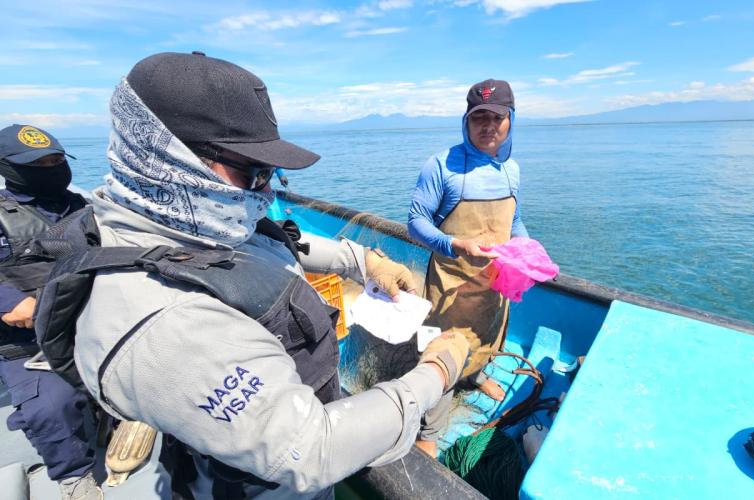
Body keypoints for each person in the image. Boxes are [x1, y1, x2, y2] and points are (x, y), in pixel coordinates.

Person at [61, 52, 469, 499]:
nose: (267, 191)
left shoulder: (189, 221)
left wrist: (364, 261)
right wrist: (437, 371)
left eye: (271, 173)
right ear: (169, 160)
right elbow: (310, 450)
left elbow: (267, 244)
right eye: (253, 172)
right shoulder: (166, 325)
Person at [407, 79, 529, 456]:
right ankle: (429, 433)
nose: (488, 125)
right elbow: (415, 221)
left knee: (489, 337)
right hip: (449, 288)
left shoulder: (512, 170)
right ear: (466, 120)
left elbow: (515, 222)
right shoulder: (442, 166)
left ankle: (477, 377)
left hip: (493, 286)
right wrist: (453, 244)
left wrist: (530, 253)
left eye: (497, 116)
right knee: (442, 354)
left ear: (511, 121)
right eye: (480, 117)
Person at [0, 124, 101, 499]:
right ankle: (74, 476)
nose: (51, 167)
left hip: (94, 322)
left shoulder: (88, 208)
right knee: (50, 408)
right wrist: (9, 303)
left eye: (56, 160)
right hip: (31, 340)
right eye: (38, 163)